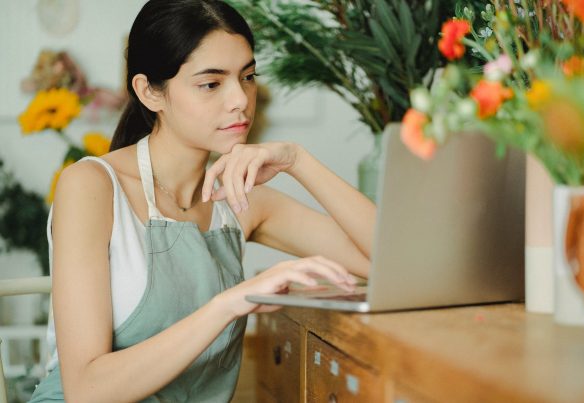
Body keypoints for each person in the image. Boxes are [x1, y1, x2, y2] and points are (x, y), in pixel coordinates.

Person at [29, 0, 375, 401]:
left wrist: (298, 161)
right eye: (211, 84)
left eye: (248, 76)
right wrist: (230, 303)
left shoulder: (241, 202)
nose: (240, 99)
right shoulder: (91, 186)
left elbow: (389, 263)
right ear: (149, 92)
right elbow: (86, 391)